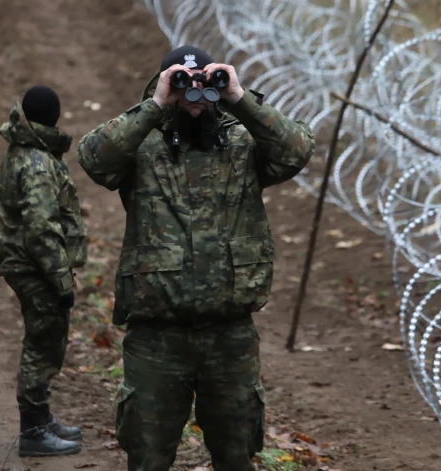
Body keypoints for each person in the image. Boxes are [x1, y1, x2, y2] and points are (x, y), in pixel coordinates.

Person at [77, 45, 315, 470]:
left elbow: (296, 150)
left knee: (237, 454)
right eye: (181, 81)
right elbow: (94, 157)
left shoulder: (242, 142)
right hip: (157, 336)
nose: (193, 93)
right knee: (148, 456)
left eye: (201, 81)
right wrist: (156, 104)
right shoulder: (143, 144)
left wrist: (239, 98)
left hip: (229, 335)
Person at [0, 85, 87, 457]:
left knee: (46, 340)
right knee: (41, 344)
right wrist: (61, 279)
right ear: (52, 117)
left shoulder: (29, 151)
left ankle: (42, 417)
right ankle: (33, 431)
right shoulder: (35, 162)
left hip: (31, 265)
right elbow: (41, 229)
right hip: (36, 268)